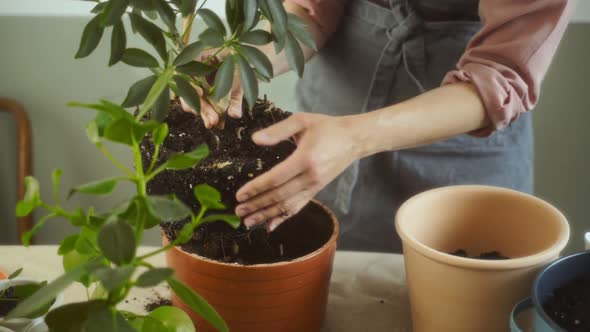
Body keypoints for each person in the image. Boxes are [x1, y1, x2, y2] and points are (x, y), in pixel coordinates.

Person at [181, 0, 575, 252]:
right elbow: (312, 10)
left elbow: (500, 73)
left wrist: (354, 138)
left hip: (462, 161)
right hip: (325, 131)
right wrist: (246, 61)